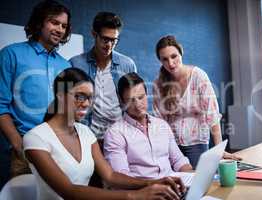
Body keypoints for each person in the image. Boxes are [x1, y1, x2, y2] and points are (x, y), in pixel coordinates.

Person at [23, 68, 185, 200]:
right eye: (80, 96)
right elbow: (69, 191)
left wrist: (154, 183)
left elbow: (111, 176)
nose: (86, 103)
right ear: (60, 95)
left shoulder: (86, 133)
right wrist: (136, 195)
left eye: (90, 98)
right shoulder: (36, 138)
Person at [0, 0, 71, 188]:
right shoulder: (11, 54)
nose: (60, 29)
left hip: (59, 150)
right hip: (25, 148)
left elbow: (68, 110)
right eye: (54, 22)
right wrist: (18, 143)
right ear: (40, 22)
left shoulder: (66, 65)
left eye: (64, 26)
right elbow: (0, 104)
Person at [152, 35, 241, 169]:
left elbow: (212, 114)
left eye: (174, 56)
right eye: (165, 59)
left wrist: (219, 150)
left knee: (198, 183)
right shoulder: (158, 84)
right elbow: (159, 120)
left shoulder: (198, 76)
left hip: (196, 144)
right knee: (176, 185)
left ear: (181, 54)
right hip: (171, 145)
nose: (170, 63)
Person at [104, 72, 193, 180]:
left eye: (141, 97)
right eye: (131, 100)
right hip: (144, 192)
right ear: (121, 102)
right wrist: (153, 187)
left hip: (174, 188)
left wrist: (192, 177)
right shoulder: (115, 133)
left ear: (146, 95)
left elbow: (178, 160)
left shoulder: (162, 125)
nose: (137, 105)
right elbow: (122, 176)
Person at [70, 12, 137, 142]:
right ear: (94, 34)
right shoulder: (75, 64)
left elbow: (133, 103)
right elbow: (69, 104)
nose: (109, 45)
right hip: (87, 137)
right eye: (105, 39)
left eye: (114, 40)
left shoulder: (127, 65)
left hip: (120, 138)